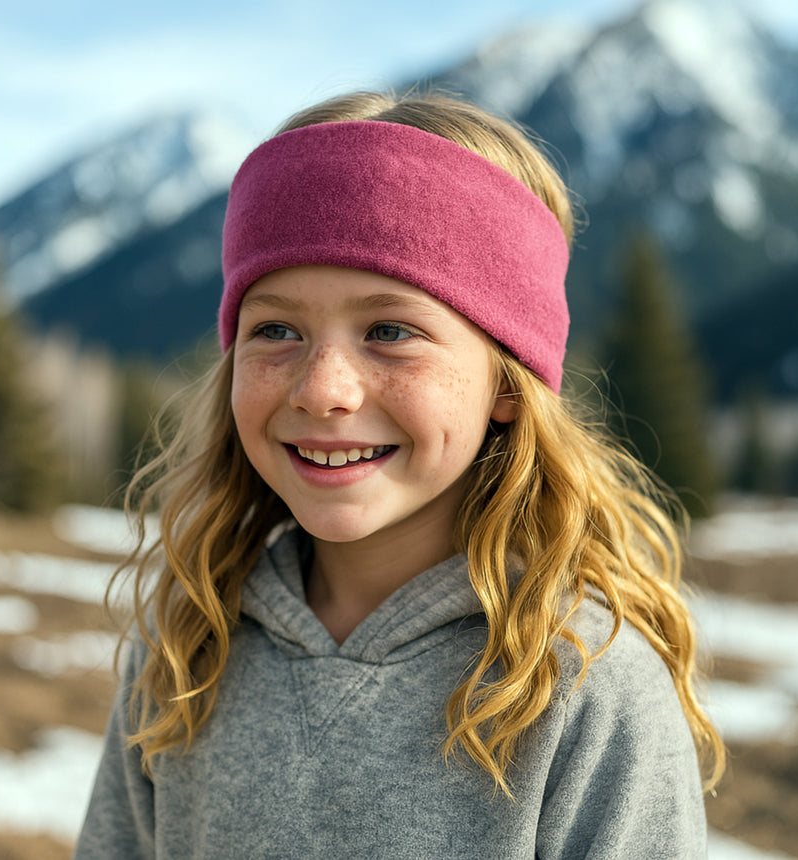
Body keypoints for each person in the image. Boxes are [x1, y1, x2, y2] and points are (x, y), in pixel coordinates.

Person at [75, 90, 724, 859]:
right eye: (275, 329)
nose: (322, 389)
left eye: (390, 331)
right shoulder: (187, 646)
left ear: (508, 387)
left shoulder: (584, 685)